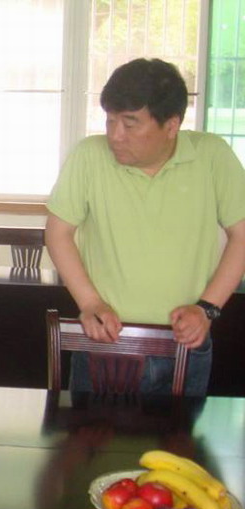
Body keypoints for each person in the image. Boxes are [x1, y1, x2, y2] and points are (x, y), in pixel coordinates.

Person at [45, 58, 245, 396]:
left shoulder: (212, 157)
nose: (115, 136)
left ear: (171, 125)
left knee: (180, 433)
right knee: (89, 432)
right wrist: (90, 303)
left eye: (130, 123)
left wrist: (207, 309)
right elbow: (58, 233)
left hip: (185, 341)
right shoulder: (89, 156)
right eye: (110, 121)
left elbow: (241, 235)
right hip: (106, 339)